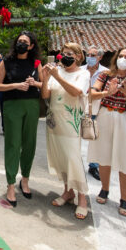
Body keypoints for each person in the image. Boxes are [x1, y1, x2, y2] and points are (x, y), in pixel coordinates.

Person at [87, 46, 126, 216]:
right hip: (105, 115)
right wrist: (108, 92)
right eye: (121, 55)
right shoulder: (106, 75)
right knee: (103, 156)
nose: (123, 59)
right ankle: (105, 189)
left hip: (125, 119)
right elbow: (92, 94)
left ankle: (124, 198)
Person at [42, 43, 91, 219]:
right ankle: (67, 191)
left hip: (72, 123)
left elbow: (77, 92)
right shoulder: (57, 71)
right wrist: (46, 78)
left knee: (73, 158)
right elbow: (46, 95)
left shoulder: (83, 73)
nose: (65, 56)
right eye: (63, 53)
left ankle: (82, 198)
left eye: (70, 53)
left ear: (78, 56)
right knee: (60, 157)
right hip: (54, 121)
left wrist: (57, 76)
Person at [0, 31, 43, 206]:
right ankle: (10, 184)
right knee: (13, 144)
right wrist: (16, 85)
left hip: (32, 105)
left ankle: (25, 179)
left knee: (29, 142)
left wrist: (34, 83)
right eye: (19, 41)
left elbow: (44, 84)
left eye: (25, 42)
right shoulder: (6, 62)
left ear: (31, 46)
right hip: (12, 105)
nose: (21, 44)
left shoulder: (36, 63)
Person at [82, 46, 109, 181]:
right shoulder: (80, 70)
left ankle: (93, 165)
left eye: (93, 55)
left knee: (94, 136)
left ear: (100, 57)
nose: (90, 57)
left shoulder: (106, 73)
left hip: (97, 107)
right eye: (88, 54)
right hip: (80, 105)